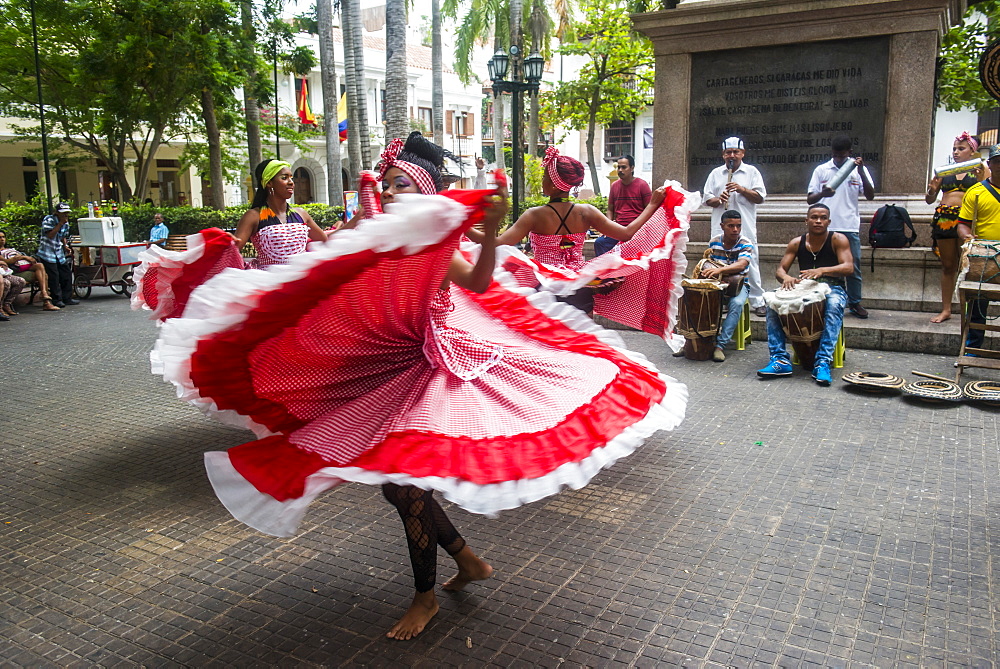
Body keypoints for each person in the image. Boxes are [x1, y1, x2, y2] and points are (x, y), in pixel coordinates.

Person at [149, 135, 686, 642]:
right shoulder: (381, 244)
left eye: (398, 184)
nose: (387, 190)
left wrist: (491, 229)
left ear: (424, 196)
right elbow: (330, 266)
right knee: (395, 484)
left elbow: (476, 282)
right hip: (399, 365)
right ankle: (467, 560)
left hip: (447, 367)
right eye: (386, 184)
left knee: (406, 486)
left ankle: (425, 596)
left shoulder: (432, 248)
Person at [472, 146, 665, 315]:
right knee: (583, 347)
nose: (542, 181)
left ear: (555, 185)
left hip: (545, 287)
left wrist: (463, 228)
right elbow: (627, 233)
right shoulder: (586, 212)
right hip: (580, 286)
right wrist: (653, 204)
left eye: (545, 177)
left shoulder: (534, 215)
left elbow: (496, 243)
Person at [757, 203, 853, 386]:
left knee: (833, 305)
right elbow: (780, 270)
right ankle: (779, 360)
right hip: (806, 288)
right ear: (806, 220)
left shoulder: (838, 240)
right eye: (814, 217)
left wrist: (822, 271)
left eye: (823, 218)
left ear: (828, 221)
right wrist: (785, 278)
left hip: (833, 288)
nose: (818, 221)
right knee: (772, 303)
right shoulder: (796, 242)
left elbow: (848, 267)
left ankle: (823, 362)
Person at [807, 134, 875, 319]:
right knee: (825, 266)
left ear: (849, 153)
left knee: (853, 266)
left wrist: (860, 172)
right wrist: (823, 193)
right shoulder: (822, 170)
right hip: (826, 226)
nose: (838, 159)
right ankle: (824, 299)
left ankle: (855, 302)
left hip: (849, 225)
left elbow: (870, 195)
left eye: (842, 156)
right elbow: (809, 199)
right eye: (835, 155)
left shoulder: (857, 170)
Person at [925, 131, 988, 323]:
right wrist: (933, 190)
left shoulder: (981, 170)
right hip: (945, 218)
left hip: (966, 221)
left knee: (967, 267)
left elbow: (987, 192)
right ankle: (946, 310)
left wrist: (980, 180)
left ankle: (967, 309)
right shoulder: (945, 171)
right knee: (948, 266)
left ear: (972, 151)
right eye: (954, 148)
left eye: (961, 148)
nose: (956, 152)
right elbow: (928, 200)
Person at [702, 137, 767, 316]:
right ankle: (723, 298)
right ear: (723, 155)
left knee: (750, 262)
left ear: (742, 153)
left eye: (735, 152)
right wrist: (719, 199)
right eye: (728, 152)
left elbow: (760, 197)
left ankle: (757, 300)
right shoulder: (715, 173)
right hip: (720, 227)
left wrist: (742, 189)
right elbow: (707, 199)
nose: (732, 155)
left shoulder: (752, 172)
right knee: (718, 261)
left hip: (744, 227)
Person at [234, 160, 329, 268]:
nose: (291, 182)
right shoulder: (253, 216)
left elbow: (324, 239)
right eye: (284, 178)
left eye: (291, 178)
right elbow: (232, 252)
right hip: (269, 281)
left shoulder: (301, 214)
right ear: (269, 183)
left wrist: (350, 223)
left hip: (299, 280)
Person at [956, 144, 1000, 351]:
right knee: (977, 307)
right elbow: (963, 223)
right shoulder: (976, 191)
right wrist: (967, 237)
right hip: (984, 257)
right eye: (998, 162)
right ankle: (972, 348)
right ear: (990, 164)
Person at [700, 210, 753, 362]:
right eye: (731, 226)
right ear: (722, 226)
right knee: (698, 297)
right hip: (718, 283)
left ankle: (720, 345)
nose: (735, 230)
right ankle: (698, 339)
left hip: (740, 284)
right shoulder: (714, 241)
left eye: (738, 226)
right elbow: (709, 263)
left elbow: (742, 264)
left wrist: (720, 270)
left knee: (736, 303)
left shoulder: (745, 243)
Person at [596, 155, 652, 256]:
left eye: (624, 167)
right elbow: (610, 210)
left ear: (632, 168)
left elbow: (649, 209)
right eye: (619, 167)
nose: (620, 170)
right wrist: (607, 228)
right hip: (618, 229)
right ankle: (607, 271)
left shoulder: (642, 185)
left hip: (637, 230)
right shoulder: (615, 186)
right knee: (600, 243)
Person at [0, 229, 60, 311]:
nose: (2, 239)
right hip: (14, 271)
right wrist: (24, 257)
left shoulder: (10, 249)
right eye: (0, 237)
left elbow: (18, 258)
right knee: (44, 275)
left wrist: (22, 258)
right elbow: (8, 261)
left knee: (40, 265)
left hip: (23, 266)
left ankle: (44, 294)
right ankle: (46, 302)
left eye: (3, 237)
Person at [37, 203, 78, 308]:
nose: (65, 215)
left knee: (66, 274)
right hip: (47, 252)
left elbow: (63, 236)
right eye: (63, 213)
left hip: (59, 252)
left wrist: (65, 246)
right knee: (54, 276)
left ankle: (67, 298)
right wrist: (59, 224)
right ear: (57, 213)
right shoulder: (49, 220)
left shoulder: (66, 223)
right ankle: (56, 299)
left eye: (66, 213)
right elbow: (50, 235)